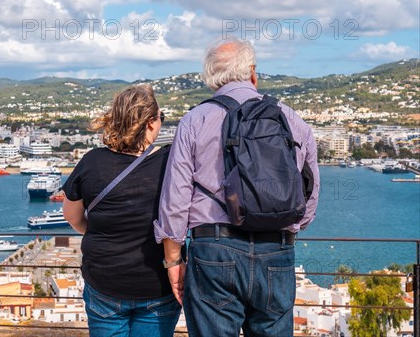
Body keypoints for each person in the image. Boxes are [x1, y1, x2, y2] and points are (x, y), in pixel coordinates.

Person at [154, 39, 320, 337]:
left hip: (215, 250)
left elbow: (175, 198)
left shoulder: (194, 120)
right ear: (253, 72)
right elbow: (309, 190)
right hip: (277, 248)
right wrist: (287, 228)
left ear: (210, 78)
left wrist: (173, 260)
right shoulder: (292, 120)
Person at [63, 84, 181, 337]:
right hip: (157, 284)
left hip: (105, 281)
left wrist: (99, 231)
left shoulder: (92, 161)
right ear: (150, 123)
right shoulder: (171, 162)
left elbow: (72, 216)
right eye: (161, 117)